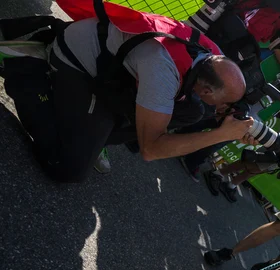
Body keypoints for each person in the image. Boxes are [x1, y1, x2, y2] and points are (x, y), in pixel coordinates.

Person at [0, 0, 256, 183]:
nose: (221, 110)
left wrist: (227, 125)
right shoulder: (163, 70)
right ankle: (27, 70)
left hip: (111, 66)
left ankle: (92, 133)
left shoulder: (209, 58)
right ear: (207, 88)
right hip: (76, 61)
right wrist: (219, 134)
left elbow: (206, 97)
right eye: (222, 104)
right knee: (67, 169)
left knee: (194, 110)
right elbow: (151, 149)